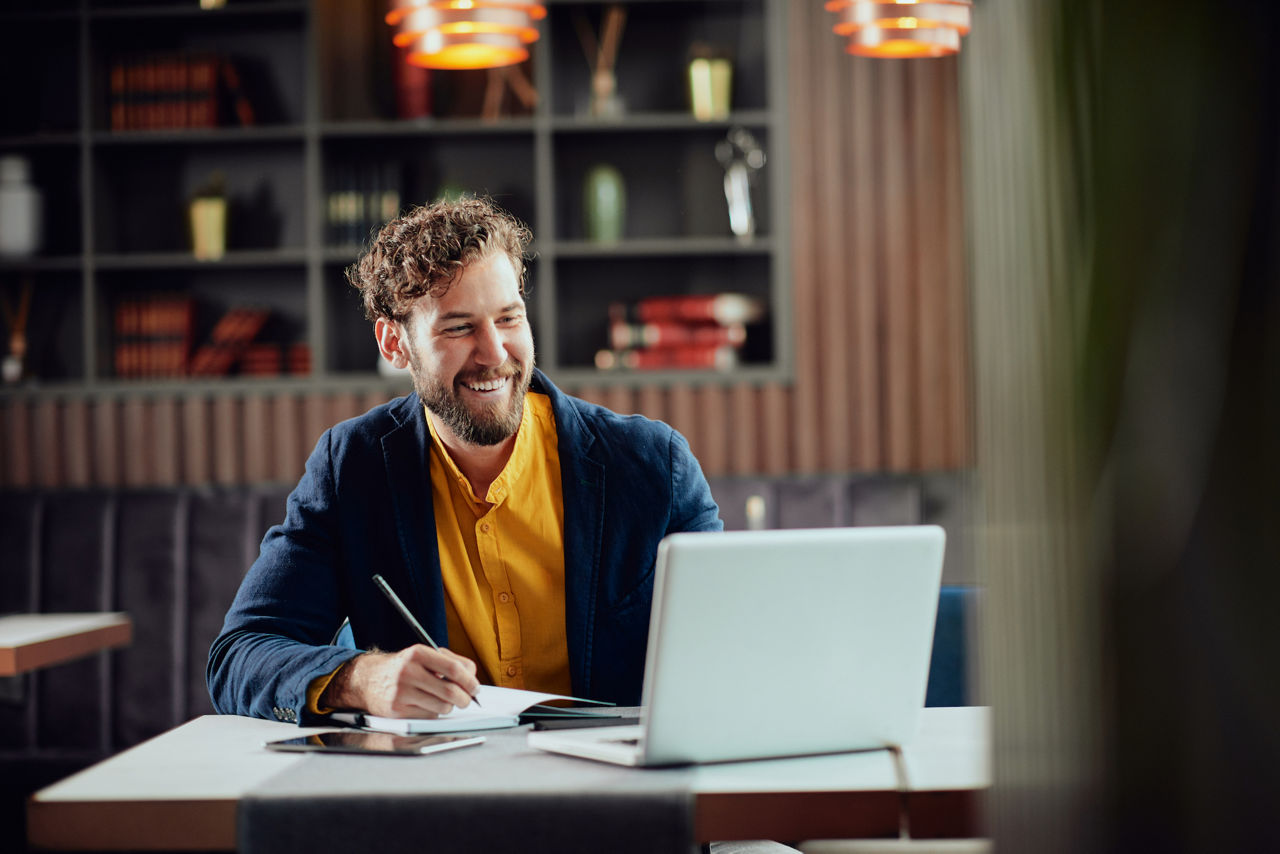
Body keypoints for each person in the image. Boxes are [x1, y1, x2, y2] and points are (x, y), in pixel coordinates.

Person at [207, 197, 723, 725]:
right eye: (459, 328)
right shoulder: (352, 468)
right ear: (394, 343)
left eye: (509, 318)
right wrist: (362, 678)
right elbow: (239, 657)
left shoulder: (653, 464)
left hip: (618, 783)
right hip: (435, 790)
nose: (495, 353)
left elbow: (734, 645)